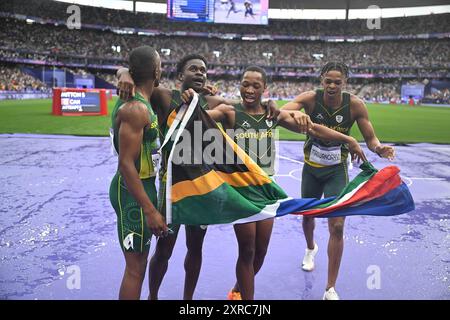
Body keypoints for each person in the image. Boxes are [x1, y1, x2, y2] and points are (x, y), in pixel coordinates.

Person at [116, 54, 279, 300]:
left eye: (204, 70)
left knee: (195, 247)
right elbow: (135, 73)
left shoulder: (211, 101)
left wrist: (269, 105)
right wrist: (124, 74)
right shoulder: (163, 96)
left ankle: (188, 300)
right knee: (164, 249)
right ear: (181, 75)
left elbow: (247, 102)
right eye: (194, 69)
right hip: (171, 186)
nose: (201, 73)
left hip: (201, 187)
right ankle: (152, 296)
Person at [199, 65, 366, 300]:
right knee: (247, 250)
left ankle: (237, 288)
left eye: (256, 85)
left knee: (260, 253)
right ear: (239, 85)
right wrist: (197, 96)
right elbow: (197, 118)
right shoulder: (230, 112)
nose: (249, 89)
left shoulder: (272, 116)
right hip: (241, 191)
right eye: (245, 83)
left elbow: (315, 130)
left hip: (267, 191)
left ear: (265, 89)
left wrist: (348, 139)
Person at [281, 62, 395, 300]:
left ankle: (330, 288)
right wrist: (297, 113)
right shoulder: (310, 99)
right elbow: (284, 111)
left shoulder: (355, 105)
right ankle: (311, 248)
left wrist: (378, 148)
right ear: (321, 80)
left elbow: (371, 139)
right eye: (328, 81)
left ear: (345, 83)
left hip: (337, 171)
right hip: (311, 169)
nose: (332, 86)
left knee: (338, 225)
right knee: (308, 216)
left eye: (337, 82)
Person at [109, 46, 169, 300]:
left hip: (142, 187)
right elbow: (126, 164)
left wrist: (124, 71)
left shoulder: (141, 100)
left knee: (140, 264)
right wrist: (150, 210)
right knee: (135, 268)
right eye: (160, 65)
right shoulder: (136, 109)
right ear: (156, 70)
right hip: (131, 191)